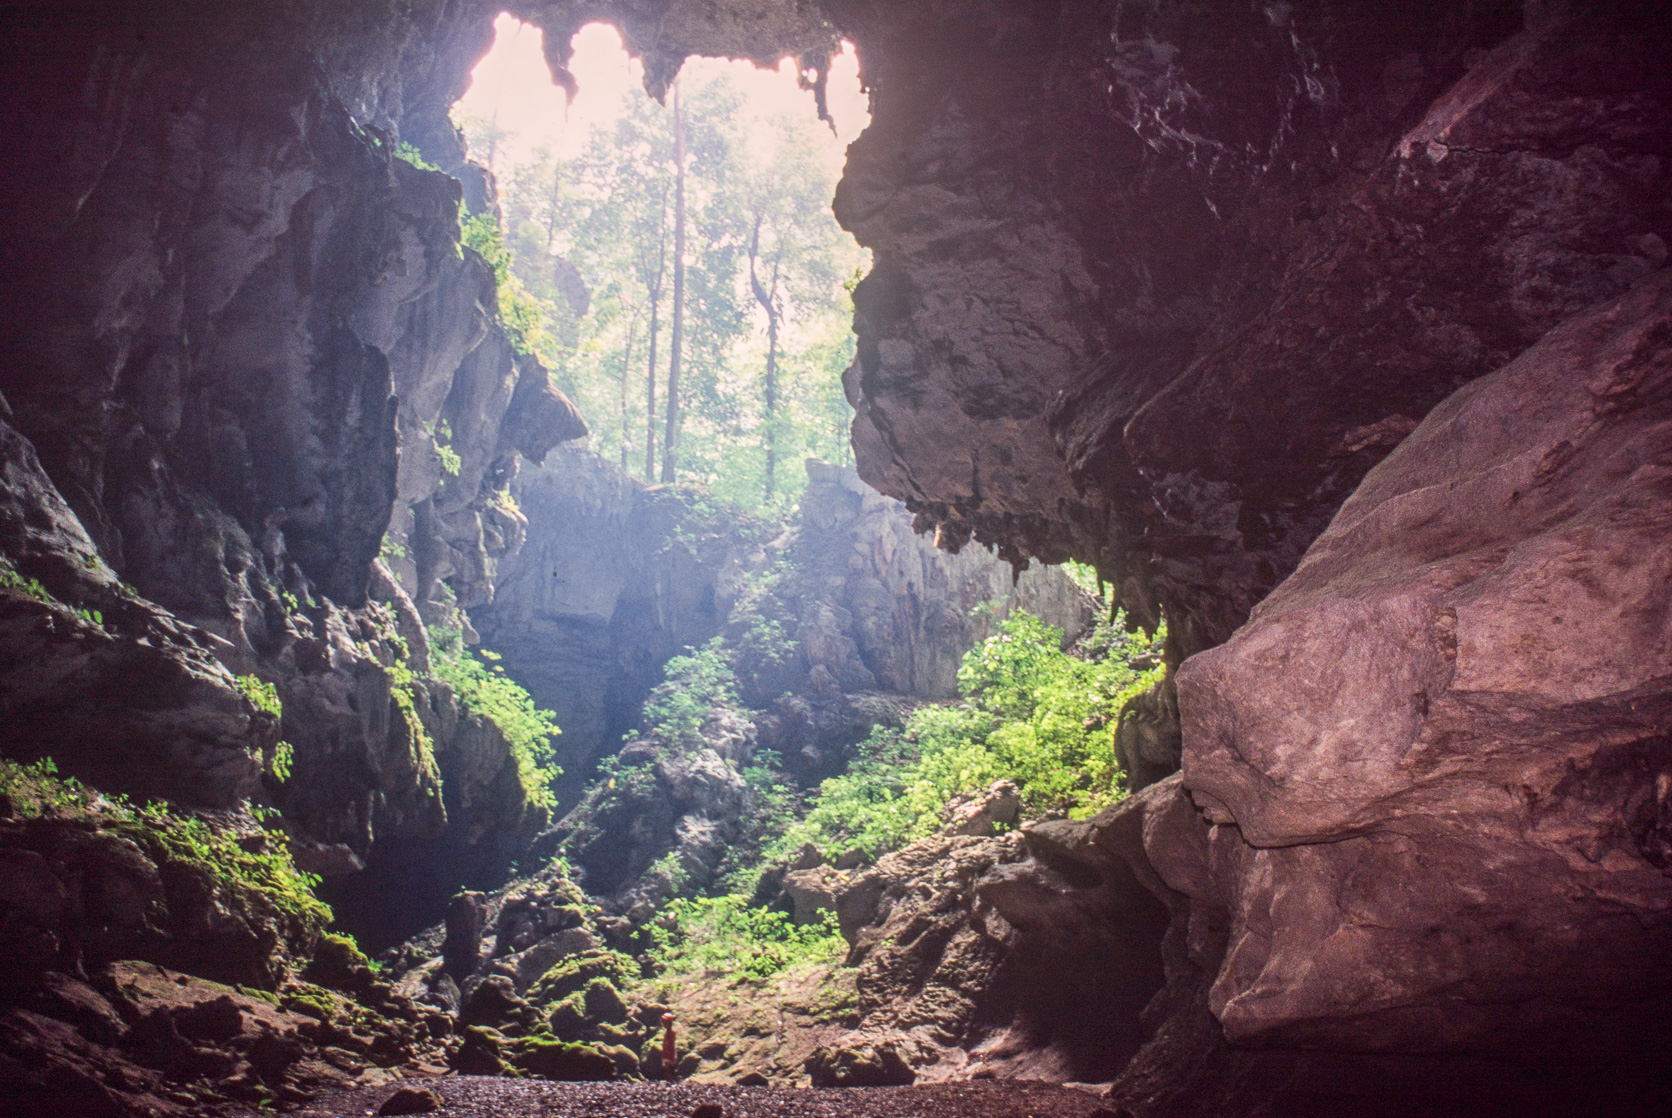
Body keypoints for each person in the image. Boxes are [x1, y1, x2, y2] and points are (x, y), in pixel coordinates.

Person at [660, 1012, 677, 1080]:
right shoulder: (667, 1032)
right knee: (666, 1070)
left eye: (664, 1022)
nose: (663, 1024)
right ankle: (670, 1083)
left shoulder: (671, 1032)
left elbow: (671, 1045)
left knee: (668, 1070)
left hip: (669, 1054)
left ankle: (671, 1084)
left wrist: (672, 1056)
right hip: (666, 1053)